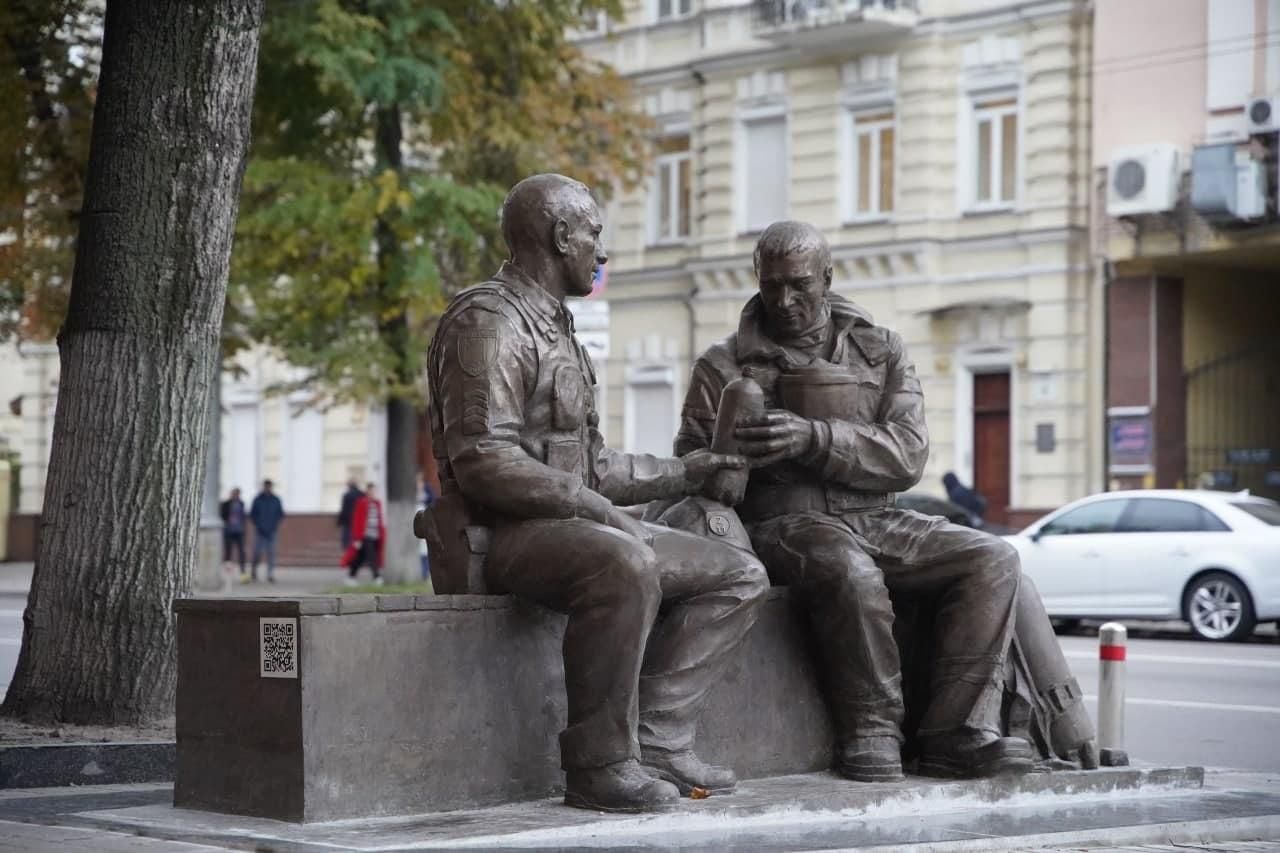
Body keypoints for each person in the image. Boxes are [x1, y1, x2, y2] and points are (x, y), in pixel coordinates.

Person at [427, 173, 769, 812]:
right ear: (561, 237)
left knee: (739, 574)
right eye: (593, 235)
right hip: (503, 536)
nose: (600, 251)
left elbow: (595, 465)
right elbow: (483, 460)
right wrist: (593, 508)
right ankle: (599, 763)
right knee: (624, 560)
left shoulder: (558, 330)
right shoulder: (488, 321)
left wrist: (689, 472)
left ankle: (660, 736)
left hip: (572, 527)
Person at [676, 221, 1033, 782]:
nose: (784, 300)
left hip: (876, 513)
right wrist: (731, 456)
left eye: (799, 285)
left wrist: (815, 437)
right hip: (783, 520)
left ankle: (953, 732)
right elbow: (693, 470)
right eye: (771, 286)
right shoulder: (722, 366)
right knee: (849, 570)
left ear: (827, 278)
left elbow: (909, 455)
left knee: (993, 558)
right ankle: (871, 728)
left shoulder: (880, 348)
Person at [341, 482, 386, 586]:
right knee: (372, 557)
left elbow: (379, 519)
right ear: (367, 491)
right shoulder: (361, 502)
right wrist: (357, 538)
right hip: (365, 535)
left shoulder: (377, 503)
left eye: (374, 491)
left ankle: (351, 577)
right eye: (371, 490)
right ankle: (377, 577)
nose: (373, 493)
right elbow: (357, 520)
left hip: (375, 535)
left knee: (360, 558)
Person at [249, 479, 285, 584]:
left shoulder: (276, 499)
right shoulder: (257, 499)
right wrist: (258, 524)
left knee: (271, 553)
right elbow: (252, 514)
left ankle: (270, 574)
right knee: (257, 552)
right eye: (266, 486)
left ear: (271, 487)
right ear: (263, 487)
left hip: (272, 531)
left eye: (269, 486)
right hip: (260, 531)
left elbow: (280, 514)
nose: (267, 488)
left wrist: (274, 524)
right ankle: (253, 572)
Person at [219, 487, 247, 582]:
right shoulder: (226, 504)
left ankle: (242, 571)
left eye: (238, 494)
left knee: (241, 552)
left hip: (239, 531)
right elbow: (222, 516)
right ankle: (227, 574)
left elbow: (243, 518)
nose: (236, 496)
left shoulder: (241, 503)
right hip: (229, 531)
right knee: (228, 552)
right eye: (235, 494)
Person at [336, 478, 364, 551]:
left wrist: (339, 522)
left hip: (348, 521)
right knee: (357, 538)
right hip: (359, 520)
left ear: (349, 485)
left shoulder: (347, 495)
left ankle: (348, 550)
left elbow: (344, 509)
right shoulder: (362, 494)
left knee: (347, 539)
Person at [417, 481, 435, 582]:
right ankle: (423, 573)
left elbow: (432, 501)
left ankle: (425, 573)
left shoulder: (427, 490)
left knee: (424, 549)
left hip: (423, 519)